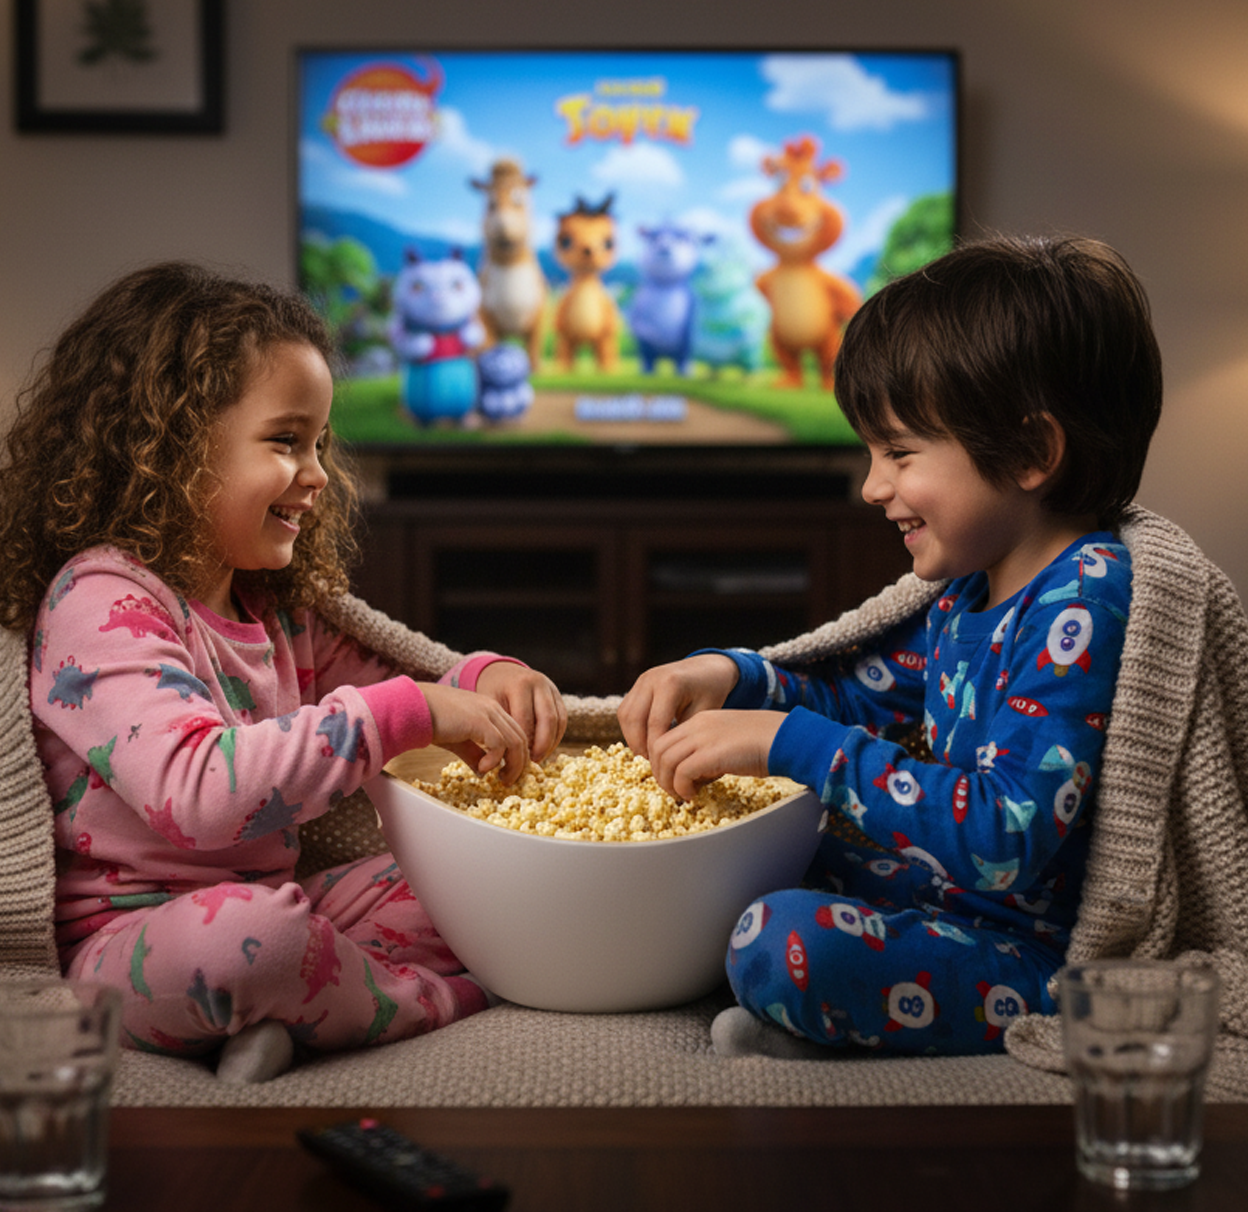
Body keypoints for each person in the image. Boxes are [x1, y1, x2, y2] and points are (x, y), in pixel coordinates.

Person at [0, 262, 567, 1081]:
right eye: (285, 441)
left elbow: (396, 680)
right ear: (170, 445)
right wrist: (410, 713)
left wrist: (483, 679)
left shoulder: (273, 608)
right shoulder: (100, 600)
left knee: (481, 876)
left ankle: (302, 1013)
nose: (319, 475)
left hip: (283, 904)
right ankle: (424, 1002)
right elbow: (201, 794)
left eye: (322, 445)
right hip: (134, 945)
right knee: (250, 942)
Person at [618, 235, 1162, 1058]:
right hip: (933, 895)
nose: (874, 487)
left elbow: (1004, 840)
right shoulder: (968, 588)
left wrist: (790, 745)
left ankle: (818, 1009)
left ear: (1030, 453)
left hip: (1031, 955)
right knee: (727, 856)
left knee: (784, 936)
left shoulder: (1084, 596)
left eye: (900, 454)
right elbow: (851, 698)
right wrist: (727, 673)